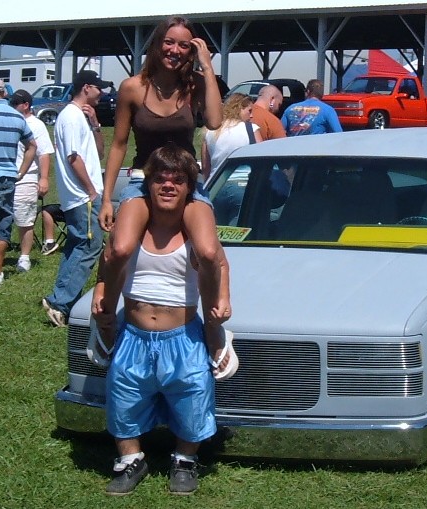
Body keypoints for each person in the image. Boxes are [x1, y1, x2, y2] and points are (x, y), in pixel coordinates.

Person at [94, 16, 232, 373]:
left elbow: (215, 121)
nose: (175, 50)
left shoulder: (195, 86)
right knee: (120, 248)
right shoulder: (132, 88)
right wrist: (107, 198)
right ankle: (105, 318)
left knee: (207, 251)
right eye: (169, 42)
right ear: (157, 44)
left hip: (186, 182)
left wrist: (207, 67)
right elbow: (118, 144)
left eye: (184, 45)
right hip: (143, 179)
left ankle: (213, 327)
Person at [93, 144, 229, 496]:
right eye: (161, 180)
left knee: (192, 395)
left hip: (181, 336)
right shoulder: (134, 225)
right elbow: (109, 257)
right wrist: (101, 291)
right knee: (124, 396)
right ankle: (130, 459)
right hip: (134, 334)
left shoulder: (194, 230)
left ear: (189, 188)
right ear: (148, 184)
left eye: (178, 180)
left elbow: (218, 260)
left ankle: (185, 459)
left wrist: (219, 312)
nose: (168, 186)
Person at [42, 70, 111, 326]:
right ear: (86, 88)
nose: (102, 93)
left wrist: (95, 124)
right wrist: (91, 190)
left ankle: (61, 299)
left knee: (77, 245)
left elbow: (99, 154)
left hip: (83, 195)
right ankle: (60, 302)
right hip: (83, 195)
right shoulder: (70, 117)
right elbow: (74, 158)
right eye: (98, 88)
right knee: (89, 246)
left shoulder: (81, 117)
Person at [0, 78, 37, 289]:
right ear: (4, 93)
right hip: (10, 178)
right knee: (3, 225)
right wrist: (21, 171)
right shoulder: (17, 116)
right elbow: (32, 145)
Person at [9, 89, 55, 272]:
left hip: (27, 177)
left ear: (26, 105)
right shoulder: (9, 121)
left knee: (25, 220)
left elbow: (44, 154)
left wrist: (43, 178)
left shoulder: (36, 125)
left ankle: (24, 257)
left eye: (15, 104)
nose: (12, 106)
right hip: (5, 176)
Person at [201, 92, 262, 181]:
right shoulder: (251, 129)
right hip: (243, 180)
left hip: (217, 182)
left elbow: (205, 166)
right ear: (239, 108)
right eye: (249, 111)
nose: (251, 116)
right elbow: (261, 159)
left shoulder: (210, 130)